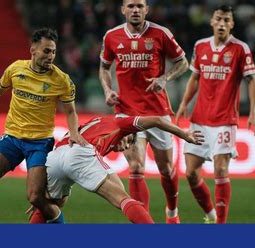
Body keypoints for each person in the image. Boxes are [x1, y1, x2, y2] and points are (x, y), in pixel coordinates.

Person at [0, 28, 88, 224]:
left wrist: (73, 133)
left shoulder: (62, 80)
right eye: (46, 51)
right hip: (12, 137)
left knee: (35, 197)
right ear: (33, 50)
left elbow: (70, 111)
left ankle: (60, 226)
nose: (51, 56)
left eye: (53, 52)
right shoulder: (16, 69)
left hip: (39, 143)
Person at [99, 0, 189, 223]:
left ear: (147, 10)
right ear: (123, 10)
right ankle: (144, 225)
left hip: (157, 111)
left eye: (140, 6)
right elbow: (104, 67)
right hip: (126, 111)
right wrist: (108, 89)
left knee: (166, 169)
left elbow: (183, 62)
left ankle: (172, 212)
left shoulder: (160, 34)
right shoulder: (111, 36)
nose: (135, 10)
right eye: (131, 6)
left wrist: (164, 78)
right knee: (136, 166)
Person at [27, 115, 204, 224]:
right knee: (122, 198)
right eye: (128, 141)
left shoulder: (95, 122)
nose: (123, 148)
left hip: (56, 155)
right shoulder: (121, 123)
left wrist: (42, 193)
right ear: (128, 133)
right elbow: (157, 120)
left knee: (50, 203)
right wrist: (184, 134)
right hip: (80, 152)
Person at [175, 5, 255, 224]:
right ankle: (211, 214)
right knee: (191, 173)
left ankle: (221, 226)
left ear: (232, 24)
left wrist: (254, 113)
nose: (222, 23)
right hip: (200, 119)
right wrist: (184, 103)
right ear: (212, 22)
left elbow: (252, 81)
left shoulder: (240, 49)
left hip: (224, 120)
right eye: (218, 19)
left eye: (226, 20)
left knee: (220, 169)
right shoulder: (200, 46)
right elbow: (194, 78)